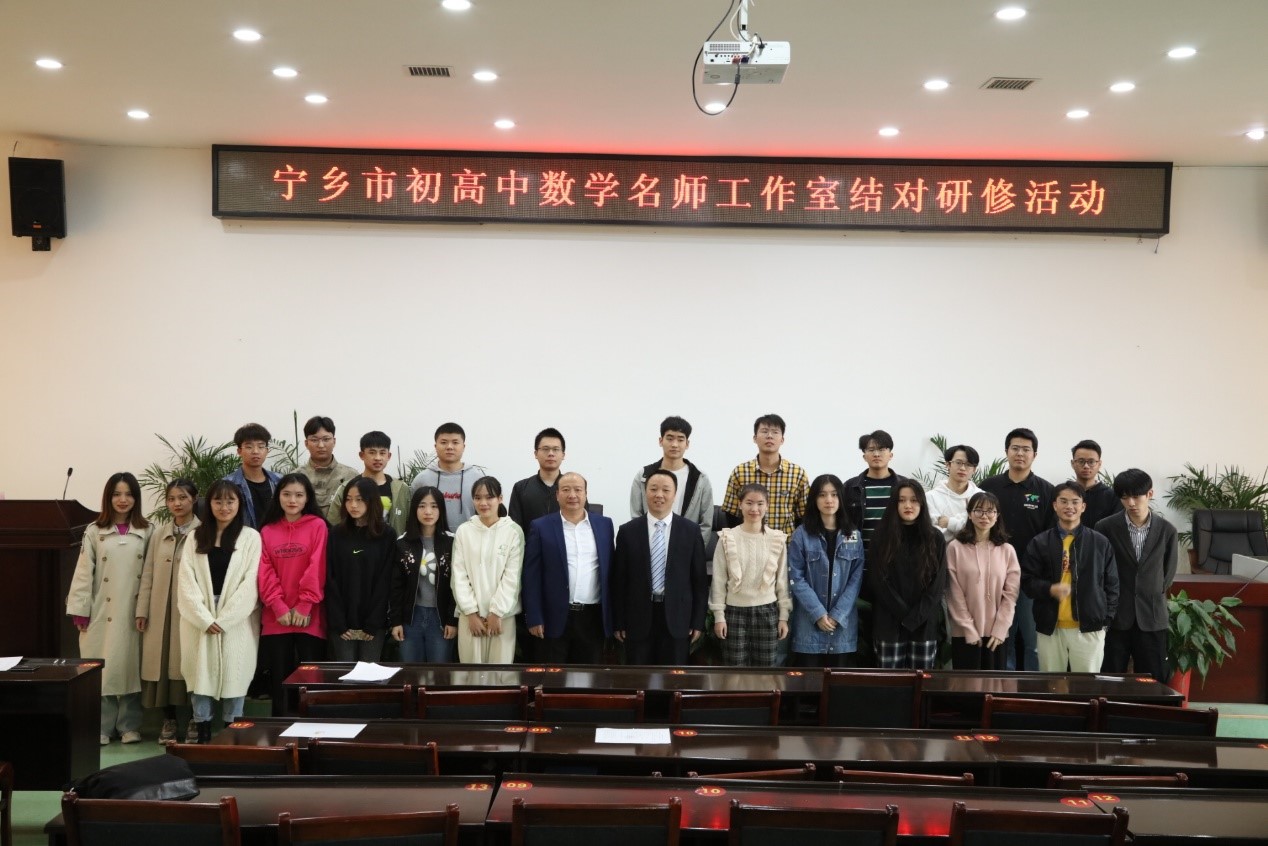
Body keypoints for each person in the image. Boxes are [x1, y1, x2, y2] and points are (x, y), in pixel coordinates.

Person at [67, 472, 152, 745]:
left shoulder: (148, 530)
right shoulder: (95, 531)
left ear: (136, 498)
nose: (123, 499)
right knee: (101, 667)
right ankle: (102, 726)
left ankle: (129, 725)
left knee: (131, 668)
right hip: (101, 609)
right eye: (117, 494)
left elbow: (152, 574)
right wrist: (81, 609)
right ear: (108, 497)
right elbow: (83, 573)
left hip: (135, 610)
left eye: (128, 494)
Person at [177, 480, 262, 744]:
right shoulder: (194, 537)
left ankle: (232, 736)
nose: (224, 507)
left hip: (236, 617)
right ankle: (202, 734)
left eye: (230, 501)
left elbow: (251, 583)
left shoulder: (250, 537)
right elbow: (186, 582)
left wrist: (225, 619)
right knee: (199, 674)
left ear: (239, 504)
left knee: (236, 673)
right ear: (208, 504)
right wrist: (204, 618)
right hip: (199, 617)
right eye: (218, 501)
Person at [1021, 481, 1119, 673]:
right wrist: (1049, 589)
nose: (1069, 507)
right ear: (1054, 505)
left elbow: (1112, 584)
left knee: (1086, 685)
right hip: (1050, 628)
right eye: (1063, 501)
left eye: (1075, 502)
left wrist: (1106, 621)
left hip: (1089, 628)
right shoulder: (1040, 542)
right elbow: (1026, 581)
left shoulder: (1099, 542)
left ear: (1083, 507)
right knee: (1051, 684)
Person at [612, 470, 708, 665]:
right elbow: (619, 581)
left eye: (666, 490)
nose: (659, 495)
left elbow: (699, 581)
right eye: (653, 489)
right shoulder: (627, 531)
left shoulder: (690, 531)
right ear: (645, 492)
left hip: (678, 618)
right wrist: (619, 621)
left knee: (673, 678)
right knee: (638, 677)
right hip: (637, 618)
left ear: (675, 494)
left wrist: (698, 622)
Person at [979, 427, 1054, 671]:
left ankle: (1033, 688)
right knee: (1001, 637)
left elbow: (1051, 536)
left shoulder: (1046, 491)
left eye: (1026, 449)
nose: (1020, 453)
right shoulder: (988, 487)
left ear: (1035, 454)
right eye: (1015, 448)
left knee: (1033, 641)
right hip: (994, 575)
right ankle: (1002, 686)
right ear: (1006, 452)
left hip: (1031, 577)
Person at [522, 472, 615, 664]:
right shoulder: (541, 527)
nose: (572, 495)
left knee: (588, 677)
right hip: (553, 617)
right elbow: (531, 576)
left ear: (586, 494)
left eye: (578, 490)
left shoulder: (604, 525)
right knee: (552, 677)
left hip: (592, 618)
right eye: (566, 490)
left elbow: (610, 572)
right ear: (557, 495)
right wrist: (534, 616)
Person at [1097, 469, 1178, 682]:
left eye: (1136, 496)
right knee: (1109, 678)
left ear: (1150, 494)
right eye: (1125, 498)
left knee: (1154, 680)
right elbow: (1100, 571)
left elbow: (1167, 574)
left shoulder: (1167, 530)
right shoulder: (1105, 527)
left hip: (1152, 616)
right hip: (1116, 616)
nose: (1131, 503)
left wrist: (1151, 591)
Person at [257, 473, 328, 716]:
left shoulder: (317, 526)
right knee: (280, 679)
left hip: (309, 615)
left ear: (307, 498)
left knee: (311, 678)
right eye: (286, 494)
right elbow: (264, 572)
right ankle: (281, 729)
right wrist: (278, 606)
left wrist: (304, 605)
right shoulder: (267, 531)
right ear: (278, 497)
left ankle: (313, 728)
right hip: (276, 616)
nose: (292, 500)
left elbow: (317, 567)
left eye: (299, 495)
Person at [137, 478, 200, 745]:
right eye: (172, 498)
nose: (177, 503)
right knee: (161, 667)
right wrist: (142, 610)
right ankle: (169, 720)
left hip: (190, 612)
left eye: (183, 498)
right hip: (160, 612)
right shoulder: (158, 534)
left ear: (194, 499)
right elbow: (147, 574)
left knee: (190, 665)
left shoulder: (203, 532)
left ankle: (197, 719)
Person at [866, 481, 947, 670]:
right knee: (890, 682)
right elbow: (878, 581)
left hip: (924, 625)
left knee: (922, 682)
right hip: (889, 624)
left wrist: (915, 617)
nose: (908, 505)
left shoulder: (935, 538)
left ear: (922, 503)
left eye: (914, 500)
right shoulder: (881, 537)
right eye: (901, 500)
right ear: (894, 504)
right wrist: (904, 616)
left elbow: (938, 584)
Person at [788, 474, 865, 668]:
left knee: (839, 682)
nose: (829, 500)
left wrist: (838, 614)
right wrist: (818, 613)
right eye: (822, 495)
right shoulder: (801, 535)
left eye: (834, 494)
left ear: (841, 498)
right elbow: (796, 577)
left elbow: (856, 579)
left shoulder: (853, 535)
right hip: (808, 625)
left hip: (842, 627)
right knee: (808, 682)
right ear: (814, 500)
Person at [710, 483, 790, 666]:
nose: (754, 509)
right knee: (734, 670)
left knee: (766, 671)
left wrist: (783, 616)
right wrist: (719, 617)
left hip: (768, 612)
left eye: (760, 503)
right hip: (734, 612)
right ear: (740, 504)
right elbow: (719, 580)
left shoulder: (777, 539)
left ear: (767, 506)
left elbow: (782, 581)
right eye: (749, 503)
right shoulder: (727, 538)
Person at [450, 476, 524, 664]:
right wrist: (471, 612)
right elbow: (458, 576)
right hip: (470, 619)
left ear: (500, 498)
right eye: (478, 498)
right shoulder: (464, 531)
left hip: (502, 618)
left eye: (489, 497)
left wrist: (497, 612)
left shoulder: (513, 531)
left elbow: (512, 577)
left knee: (500, 674)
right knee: (470, 674)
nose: (483, 503)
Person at [945, 491, 1020, 670]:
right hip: (965, 634)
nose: (984, 516)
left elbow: (1011, 595)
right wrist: (967, 628)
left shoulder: (1007, 550)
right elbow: (953, 593)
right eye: (978, 510)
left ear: (997, 516)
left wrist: (1001, 628)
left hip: (996, 635)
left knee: (994, 684)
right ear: (969, 514)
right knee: (966, 684)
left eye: (990, 511)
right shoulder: (955, 548)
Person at [325, 478, 396, 661]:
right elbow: (330, 579)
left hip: (373, 623)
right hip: (342, 623)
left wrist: (374, 622)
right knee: (345, 673)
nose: (353, 505)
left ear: (372, 501)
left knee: (369, 674)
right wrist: (339, 622)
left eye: (359, 499)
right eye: (348, 500)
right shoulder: (336, 534)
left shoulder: (386, 535)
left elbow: (385, 581)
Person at [389, 486, 458, 663]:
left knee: (439, 672)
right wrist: (396, 621)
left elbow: (457, 585)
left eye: (434, 506)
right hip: (411, 618)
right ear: (414, 509)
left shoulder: (452, 542)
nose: (428, 511)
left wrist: (452, 620)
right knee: (411, 671)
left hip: (440, 618)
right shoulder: (403, 543)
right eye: (422, 506)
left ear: (441, 509)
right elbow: (396, 587)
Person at [630, 415, 715, 545]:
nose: (674, 444)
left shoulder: (700, 478)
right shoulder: (644, 475)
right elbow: (636, 515)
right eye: (669, 439)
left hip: (686, 546)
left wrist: (694, 551)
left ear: (687, 444)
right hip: (651, 545)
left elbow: (706, 523)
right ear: (660, 441)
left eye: (680, 439)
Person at [721, 414, 809, 535]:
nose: (769, 436)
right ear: (755, 438)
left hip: (786, 543)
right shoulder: (740, 472)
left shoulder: (797, 474)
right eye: (764, 431)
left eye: (775, 432)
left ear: (782, 440)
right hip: (748, 542)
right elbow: (731, 514)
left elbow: (803, 516)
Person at [326, 431, 410, 534]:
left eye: (382, 453)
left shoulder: (401, 489)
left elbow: (410, 525)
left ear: (389, 456)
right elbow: (332, 524)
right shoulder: (347, 487)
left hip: (391, 544)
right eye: (372, 452)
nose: (378, 458)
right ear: (362, 455)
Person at [410, 422, 488, 529]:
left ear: (463, 446)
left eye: (455, 442)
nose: (449, 447)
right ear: (435, 446)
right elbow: (412, 514)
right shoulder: (422, 479)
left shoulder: (477, 478)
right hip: (433, 538)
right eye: (444, 442)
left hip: (470, 537)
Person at [843, 430, 909, 551]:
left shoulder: (905, 486)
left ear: (890, 455)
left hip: (897, 555)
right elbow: (845, 523)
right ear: (864, 456)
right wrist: (850, 553)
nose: (876, 454)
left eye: (882, 449)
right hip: (861, 556)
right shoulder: (850, 487)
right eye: (871, 450)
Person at [223, 422, 281, 530]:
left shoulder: (279, 481)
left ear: (267, 451)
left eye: (261, 446)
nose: (255, 451)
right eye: (249, 447)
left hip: (275, 538)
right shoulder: (228, 484)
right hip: (242, 539)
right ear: (239, 451)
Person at [509, 427, 566, 535]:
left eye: (556, 449)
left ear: (563, 455)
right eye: (545, 449)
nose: (551, 453)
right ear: (536, 453)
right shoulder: (520, 488)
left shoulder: (573, 489)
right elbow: (515, 530)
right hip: (530, 545)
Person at [296, 415, 359, 513]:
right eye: (314, 440)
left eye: (326, 439)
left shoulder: (351, 476)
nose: (321, 445)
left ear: (334, 441)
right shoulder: (296, 476)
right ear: (306, 443)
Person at [927, 444, 983, 542]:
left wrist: (949, 523)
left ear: (974, 469)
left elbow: (981, 531)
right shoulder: (931, 497)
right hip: (942, 551)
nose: (963, 468)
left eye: (968, 464)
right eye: (958, 462)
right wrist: (965, 524)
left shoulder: (981, 497)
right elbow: (934, 534)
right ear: (948, 464)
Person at [1071, 439, 1123, 528]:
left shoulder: (1112, 497)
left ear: (1099, 464)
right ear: (1072, 463)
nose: (1086, 466)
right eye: (1081, 461)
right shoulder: (1063, 494)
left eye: (1091, 462)